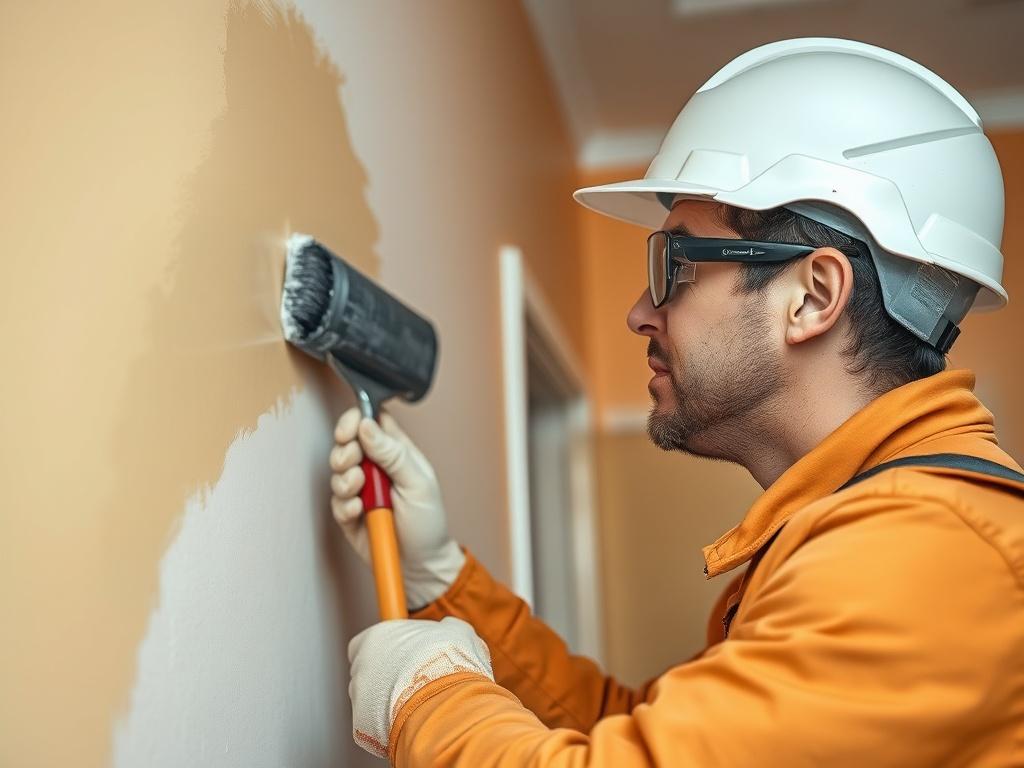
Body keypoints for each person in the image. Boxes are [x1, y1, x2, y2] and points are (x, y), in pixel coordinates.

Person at [335, 38, 1024, 766]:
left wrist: (427, 697)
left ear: (812, 297)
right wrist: (442, 577)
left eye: (676, 264)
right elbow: (638, 730)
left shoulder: (919, 554)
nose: (639, 311)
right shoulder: (866, 534)